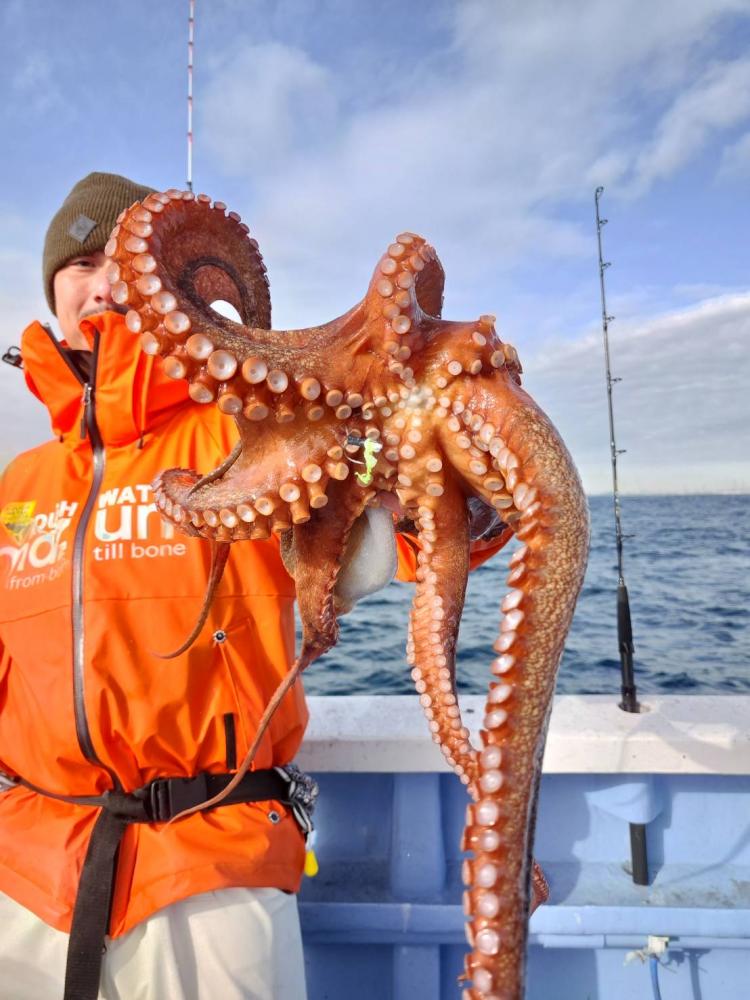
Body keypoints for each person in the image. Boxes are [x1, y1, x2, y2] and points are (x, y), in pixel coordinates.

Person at [0, 172, 519, 1000]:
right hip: (26, 875)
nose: (104, 283)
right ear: (53, 290)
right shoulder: (19, 485)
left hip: (215, 871)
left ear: (169, 281)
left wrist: (466, 475)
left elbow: (409, 527)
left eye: (124, 263)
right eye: (82, 264)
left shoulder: (255, 437)